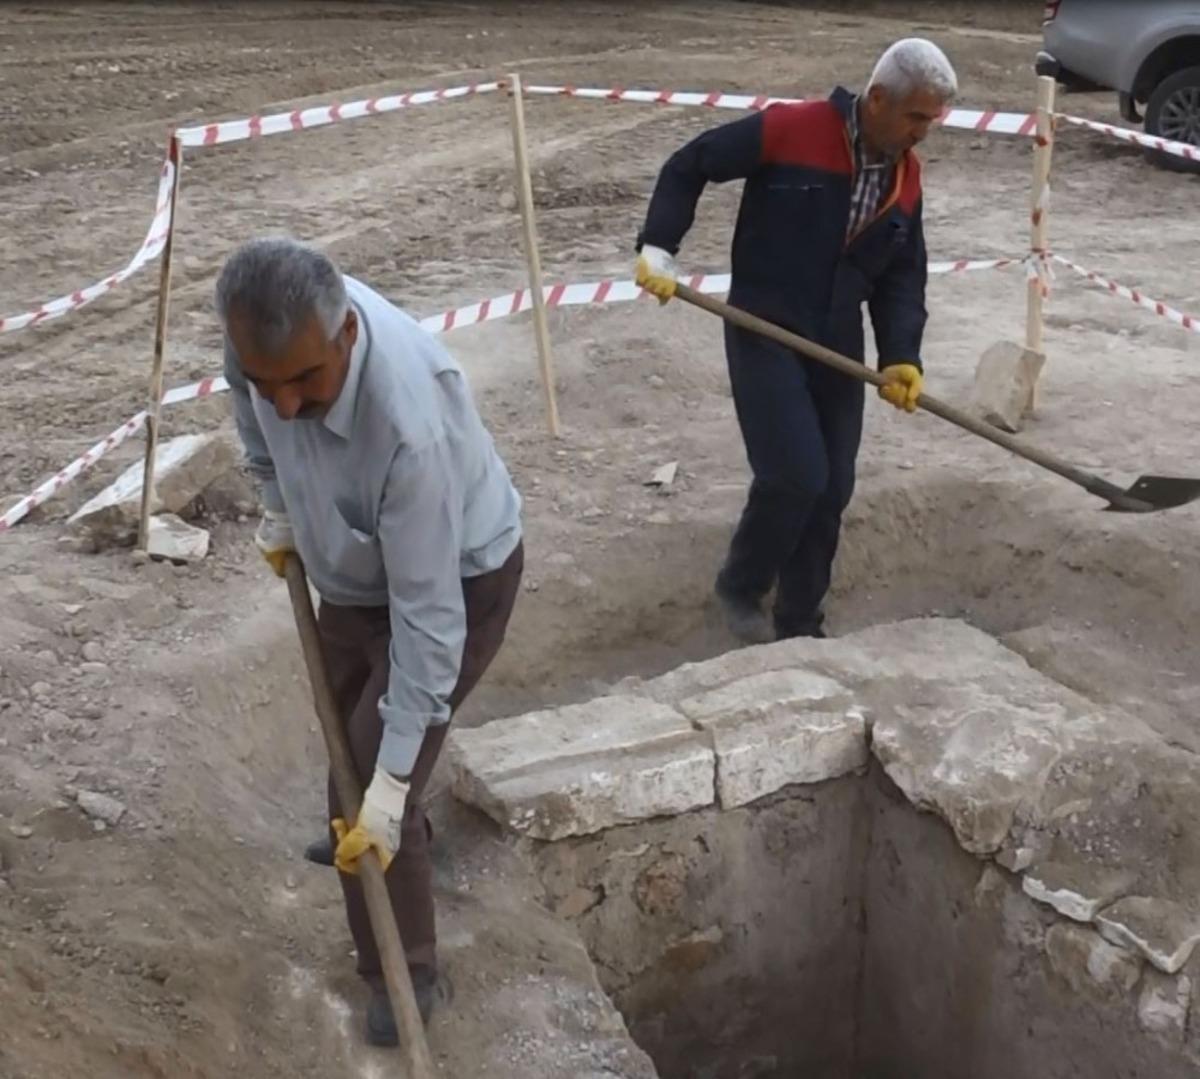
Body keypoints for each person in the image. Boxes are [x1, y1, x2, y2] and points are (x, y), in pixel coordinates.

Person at [217, 238, 524, 1046]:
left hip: (459, 579)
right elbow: (249, 402)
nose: (285, 405)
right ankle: (376, 830)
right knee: (350, 725)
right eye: (268, 384)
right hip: (354, 569)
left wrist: (386, 787)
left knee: (369, 770)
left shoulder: (408, 427)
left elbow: (429, 622)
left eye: (304, 382)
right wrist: (274, 495)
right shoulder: (260, 337)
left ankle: (404, 966)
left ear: (347, 333)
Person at [634, 38, 957, 643]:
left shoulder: (906, 180)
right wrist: (659, 246)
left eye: (931, 120)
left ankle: (801, 622)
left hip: (837, 339)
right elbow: (691, 164)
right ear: (878, 99)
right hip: (766, 326)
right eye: (917, 117)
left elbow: (901, 277)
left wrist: (901, 356)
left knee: (833, 488)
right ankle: (741, 585)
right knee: (795, 475)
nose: (923, 132)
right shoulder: (792, 130)